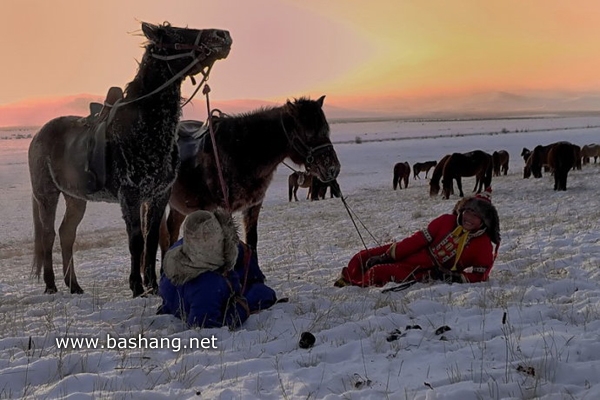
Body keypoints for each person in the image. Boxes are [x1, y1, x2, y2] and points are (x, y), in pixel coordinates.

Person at [335, 187, 500, 288]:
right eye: (468, 212)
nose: (469, 218)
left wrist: (453, 277)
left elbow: (481, 275)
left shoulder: (483, 244)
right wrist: (385, 256)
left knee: (378, 271)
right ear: (462, 210)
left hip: (426, 272)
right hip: (412, 252)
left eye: (476, 216)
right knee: (364, 256)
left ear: (484, 222)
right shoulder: (446, 221)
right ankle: (348, 277)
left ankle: (357, 283)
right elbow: (416, 241)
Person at [158, 209, 277, 328]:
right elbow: (203, 323)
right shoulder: (209, 285)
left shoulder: (176, 257)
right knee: (261, 293)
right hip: (217, 285)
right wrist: (241, 308)